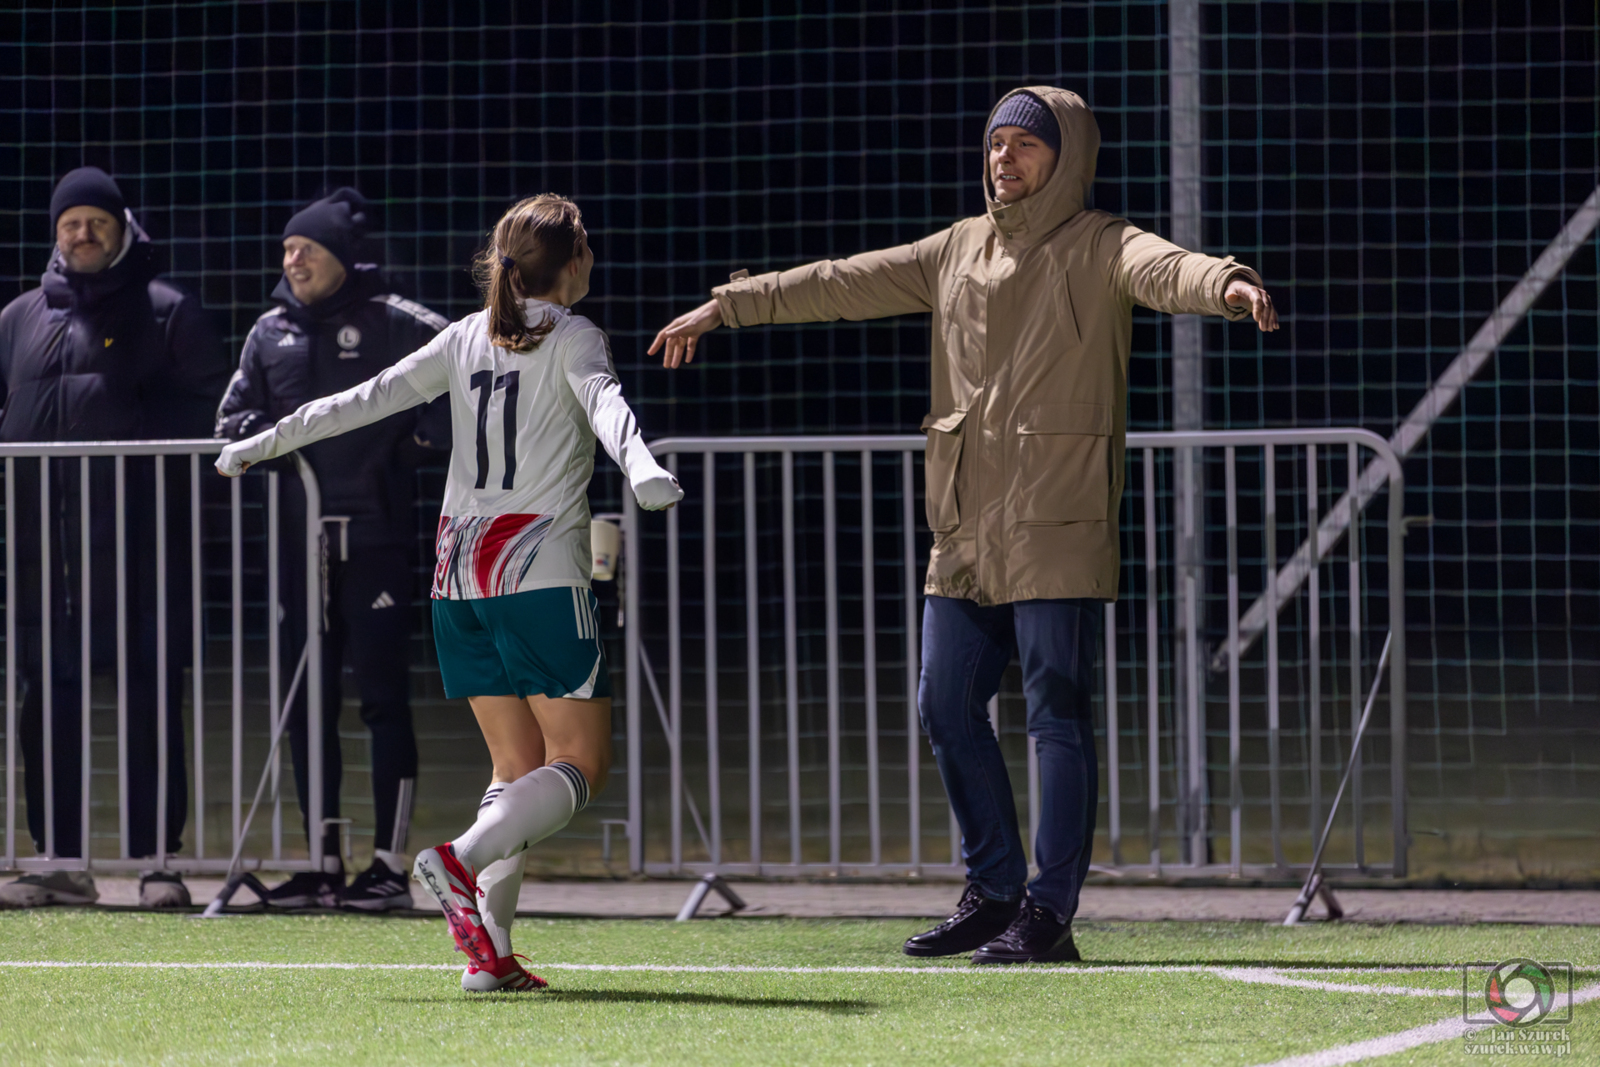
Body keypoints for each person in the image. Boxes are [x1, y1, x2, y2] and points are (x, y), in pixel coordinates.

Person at [650, 87, 1279, 963]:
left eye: (1025, 145)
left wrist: (1228, 280)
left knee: (1056, 712)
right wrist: (733, 303)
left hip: (1056, 521)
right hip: (965, 526)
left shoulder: (1101, 243)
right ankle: (994, 891)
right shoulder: (955, 249)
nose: (1004, 159)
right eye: (995, 145)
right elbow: (843, 281)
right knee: (945, 702)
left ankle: (1048, 914)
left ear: (1067, 157)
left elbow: (1167, 267)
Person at [218, 194, 682, 990]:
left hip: (455, 575)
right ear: (571, 265)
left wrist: (259, 443)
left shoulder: (464, 335)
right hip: (536, 570)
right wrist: (643, 471)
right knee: (580, 762)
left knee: (516, 763)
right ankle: (458, 860)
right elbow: (609, 407)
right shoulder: (573, 334)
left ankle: (488, 958)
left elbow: (358, 401)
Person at [215, 188, 451, 911]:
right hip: (296, 547)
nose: (293, 261)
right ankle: (322, 861)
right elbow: (231, 421)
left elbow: (461, 382)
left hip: (375, 539)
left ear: (342, 258)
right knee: (305, 704)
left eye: (307, 250)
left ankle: (387, 864)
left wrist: (408, 452)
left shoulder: (398, 321)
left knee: (382, 699)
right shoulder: (269, 333)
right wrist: (287, 455)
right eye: (287, 250)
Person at [0, 166, 230, 908]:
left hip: (142, 546)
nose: (82, 232)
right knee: (49, 695)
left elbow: (210, 415)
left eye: (96, 220)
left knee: (149, 691)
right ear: (55, 233)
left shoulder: (168, 310)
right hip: (45, 554)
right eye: (70, 222)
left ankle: (157, 861)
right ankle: (58, 858)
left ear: (123, 227)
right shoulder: (17, 319)